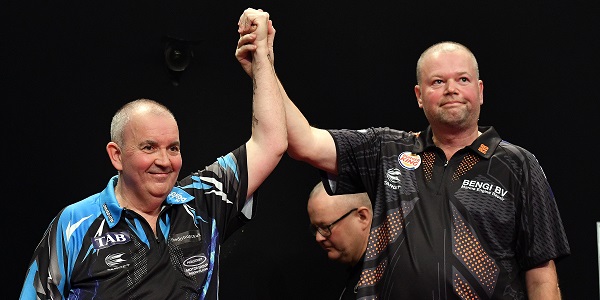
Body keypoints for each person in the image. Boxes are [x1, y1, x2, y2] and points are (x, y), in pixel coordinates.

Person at [236, 9, 571, 299]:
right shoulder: (387, 149)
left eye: (463, 79)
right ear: (419, 95)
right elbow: (304, 142)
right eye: (437, 81)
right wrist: (264, 68)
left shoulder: (518, 164)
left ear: (480, 91)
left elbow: (541, 273)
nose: (451, 89)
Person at [20, 9, 285, 300]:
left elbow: (270, 142)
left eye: (173, 148)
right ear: (116, 156)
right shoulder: (74, 225)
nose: (165, 160)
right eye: (149, 147)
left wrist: (262, 60)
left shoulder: (204, 200)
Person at [307, 181, 372, 300]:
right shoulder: (359, 274)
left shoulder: (392, 277)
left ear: (362, 217)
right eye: (315, 228)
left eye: (326, 227)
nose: (318, 237)